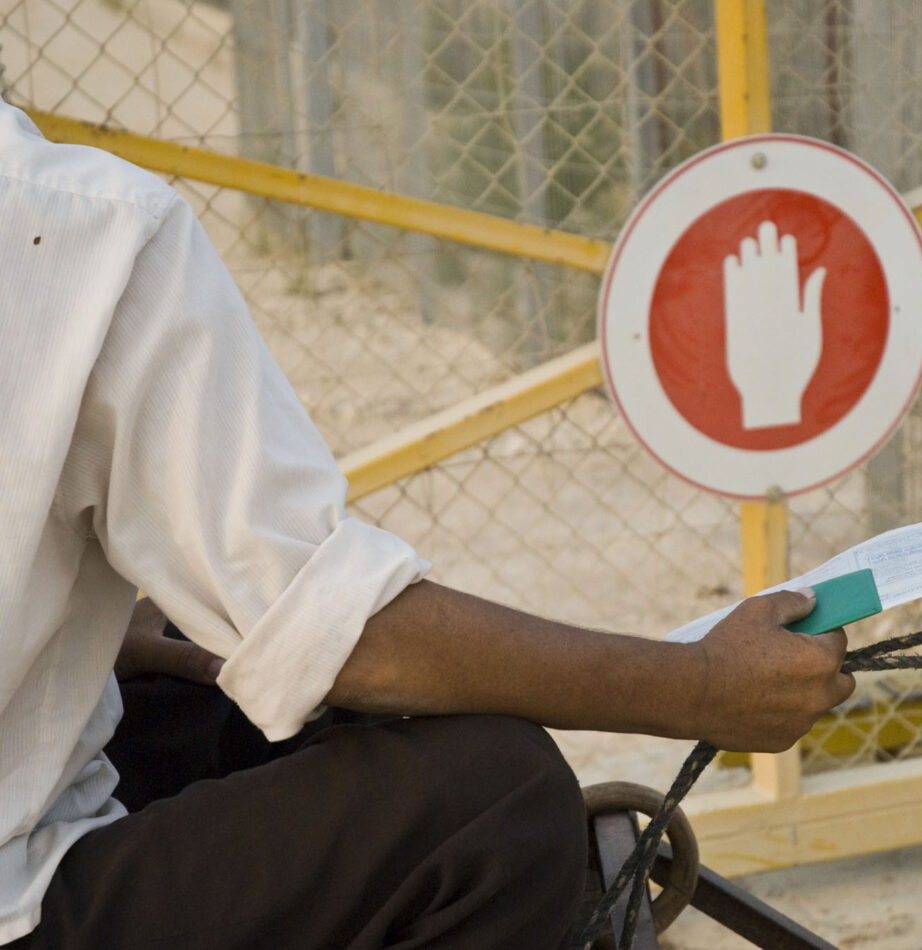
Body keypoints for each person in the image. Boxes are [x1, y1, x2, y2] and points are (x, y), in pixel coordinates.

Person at [0, 92, 856, 950]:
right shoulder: (81, 224)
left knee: (216, 700)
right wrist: (705, 687)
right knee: (496, 799)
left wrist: (103, 644)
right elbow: (334, 634)